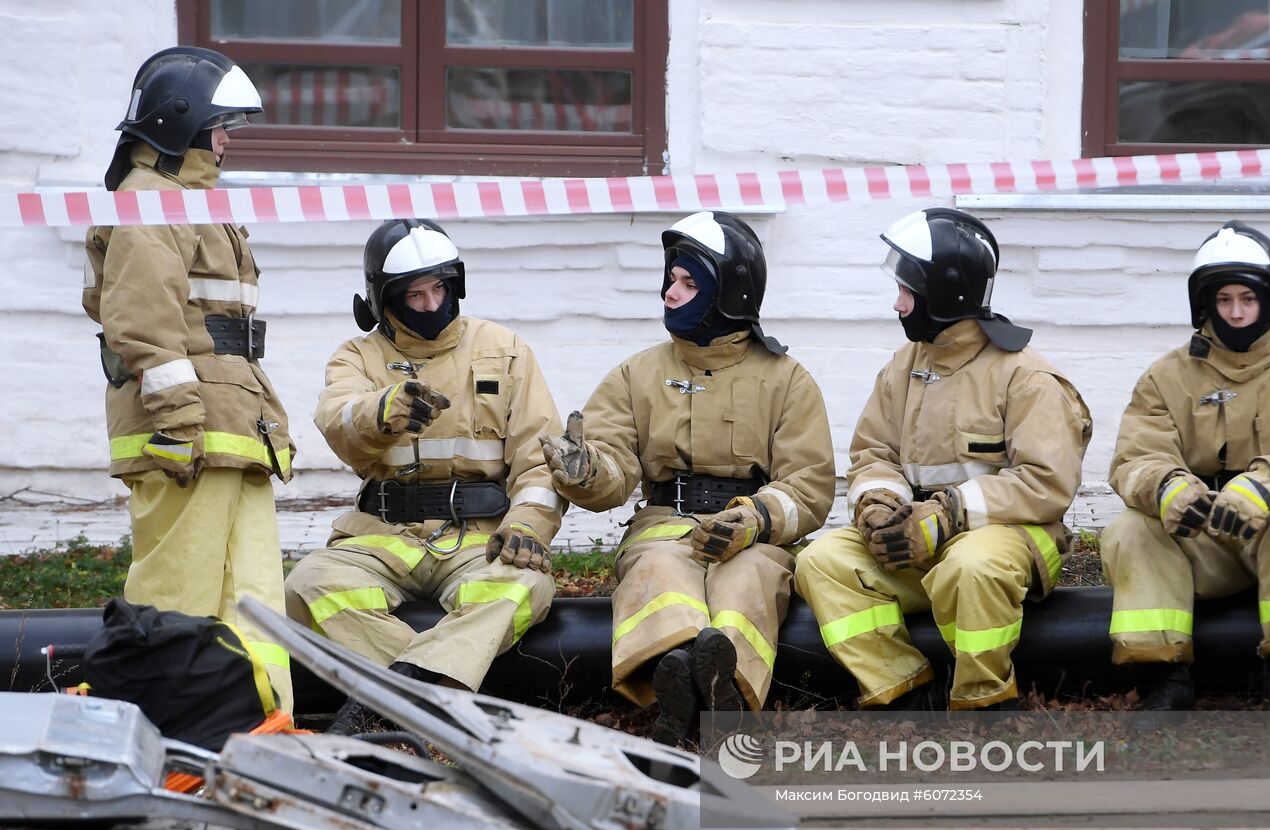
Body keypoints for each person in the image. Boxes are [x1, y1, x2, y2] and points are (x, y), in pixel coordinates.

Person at [543, 211, 835, 745]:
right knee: (657, 570)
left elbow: (809, 486)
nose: (670, 294)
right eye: (671, 280)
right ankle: (676, 682)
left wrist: (754, 520)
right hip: (663, 526)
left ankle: (722, 698)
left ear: (730, 294)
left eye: (688, 282)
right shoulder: (637, 373)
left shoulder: (787, 381)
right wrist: (586, 473)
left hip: (753, 538)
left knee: (748, 581)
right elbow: (613, 463)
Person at [794, 208, 1092, 712]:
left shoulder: (1026, 377)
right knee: (822, 561)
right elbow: (873, 453)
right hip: (920, 537)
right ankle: (903, 689)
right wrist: (877, 504)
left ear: (945, 290)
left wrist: (948, 513)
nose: (897, 304)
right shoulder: (904, 366)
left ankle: (985, 701)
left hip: (1014, 537)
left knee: (968, 566)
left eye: (907, 291)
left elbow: (1047, 483)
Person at [283, 218, 564, 734]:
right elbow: (337, 419)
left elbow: (539, 457)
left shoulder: (505, 350)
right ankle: (440, 698)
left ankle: (391, 697)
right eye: (416, 295)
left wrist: (527, 525)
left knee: (525, 584)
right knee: (308, 584)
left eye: (439, 289)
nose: (433, 305)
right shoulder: (358, 356)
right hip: (383, 536)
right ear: (383, 300)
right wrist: (383, 409)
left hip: (480, 538)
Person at [81, 46, 296, 711]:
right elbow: (141, 320)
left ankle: (259, 725)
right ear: (181, 123)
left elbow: (227, 336)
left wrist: (267, 422)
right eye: (218, 126)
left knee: (253, 598)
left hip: (229, 431)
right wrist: (176, 422)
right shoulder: (147, 202)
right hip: (187, 436)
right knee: (176, 595)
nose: (227, 141)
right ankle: (145, 730)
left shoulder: (191, 201)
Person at [1100, 222, 1270, 712]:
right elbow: (1135, 457)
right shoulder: (1167, 376)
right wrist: (1168, 488)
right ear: (1206, 303)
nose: (1237, 312)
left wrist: (1266, 484)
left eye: (1248, 297)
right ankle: (1166, 675)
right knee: (1130, 528)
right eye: (1224, 299)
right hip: (1203, 537)